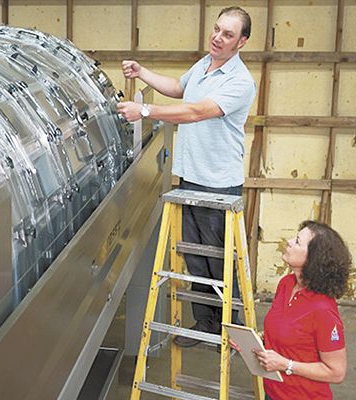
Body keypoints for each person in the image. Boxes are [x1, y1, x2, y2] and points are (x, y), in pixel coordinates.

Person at [117, 6, 256, 345]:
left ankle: (231, 330)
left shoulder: (240, 82)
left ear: (242, 42)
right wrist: (143, 72)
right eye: (217, 29)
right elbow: (180, 89)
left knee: (219, 259)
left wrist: (145, 111)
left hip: (217, 182)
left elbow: (195, 112)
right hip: (191, 176)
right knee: (195, 256)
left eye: (227, 34)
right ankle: (206, 325)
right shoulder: (204, 66)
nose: (217, 38)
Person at [232, 221, 350, 399]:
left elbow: (336, 372)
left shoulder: (323, 310)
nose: (288, 241)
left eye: (297, 241)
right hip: (273, 392)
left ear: (313, 259)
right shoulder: (286, 284)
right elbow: (290, 335)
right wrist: (254, 341)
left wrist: (286, 364)